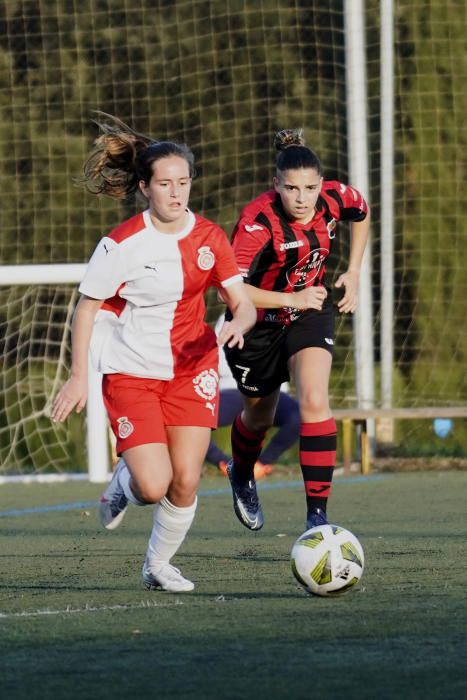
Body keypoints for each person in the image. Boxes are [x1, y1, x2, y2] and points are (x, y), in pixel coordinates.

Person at [51, 113, 256, 592]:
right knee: (152, 485)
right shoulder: (121, 244)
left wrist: (237, 324)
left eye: (183, 182)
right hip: (132, 373)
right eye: (165, 183)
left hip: (193, 369)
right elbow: (86, 310)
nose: (176, 192)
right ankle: (124, 483)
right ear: (145, 187)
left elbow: (241, 304)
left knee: (186, 479)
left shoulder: (210, 237)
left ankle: (157, 567)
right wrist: (80, 376)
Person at [223, 128, 370, 532]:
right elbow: (232, 287)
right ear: (276, 185)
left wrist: (354, 271)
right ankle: (242, 471)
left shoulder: (336, 198)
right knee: (259, 417)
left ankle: (317, 518)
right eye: (291, 188)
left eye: (309, 188)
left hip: (310, 313)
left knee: (314, 399)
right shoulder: (257, 221)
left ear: (321, 185)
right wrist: (291, 299)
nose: (302, 198)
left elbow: (362, 212)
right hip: (255, 324)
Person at [205, 316, 300, 478]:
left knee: (301, 415)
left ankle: (261, 464)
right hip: (233, 389)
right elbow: (216, 358)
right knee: (193, 421)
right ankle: (225, 464)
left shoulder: (284, 314)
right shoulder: (230, 315)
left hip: (273, 391)